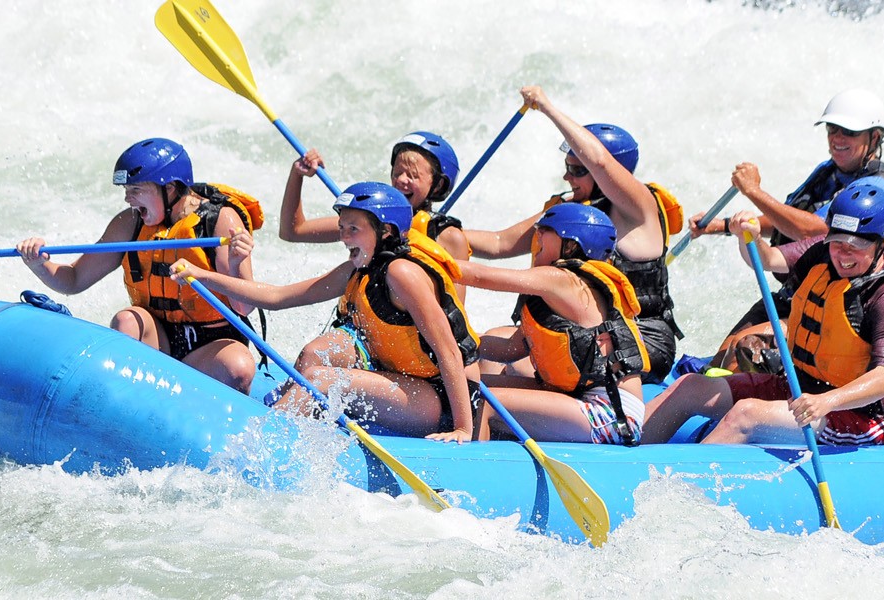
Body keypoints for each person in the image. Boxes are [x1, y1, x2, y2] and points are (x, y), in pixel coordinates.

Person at [174, 182, 482, 443]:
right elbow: (277, 297)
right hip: (395, 376)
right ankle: (293, 423)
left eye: (353, 229)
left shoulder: (403, 274)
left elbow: (448, 351)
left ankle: (260, 443)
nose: (344, 237)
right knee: (313, 356)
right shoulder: (358, 268)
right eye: (342, 229)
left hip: (433, 398)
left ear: (385, 231)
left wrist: (462, 429)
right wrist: (203, 276)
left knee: (319, 381)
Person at [642, 180, 884, 446]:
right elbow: (768, 259)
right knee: (690, 386)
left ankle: (681, 490)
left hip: (861, 413)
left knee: (746, 415)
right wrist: (750, 237)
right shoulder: (822, 252)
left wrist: (827, 401)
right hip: (800, 386)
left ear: (882, 243)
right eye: (837, 242)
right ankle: (621, 455)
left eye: (857, 246)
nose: (843, 254)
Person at [684, 89, 884, 373]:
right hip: (806, 288)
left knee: (743, 350)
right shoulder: (829, 171)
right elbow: (789, 218)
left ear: (875, 137)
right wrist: (722, 226)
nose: (837, 138)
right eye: (833, 129)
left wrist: (753, 191)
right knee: (722, 357)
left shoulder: (878, 188)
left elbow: (816, 233)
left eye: (849, 132)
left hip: (846, 306)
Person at [466, 85, 684, 383]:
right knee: (490, 348)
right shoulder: (570, 213)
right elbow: (499, 243)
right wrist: (432, 234)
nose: (567, 177)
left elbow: (600, 161)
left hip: (639, 338)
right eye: (567, 167)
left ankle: (516, 412)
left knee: (521, 366)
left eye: (576, 169)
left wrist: (547, 107)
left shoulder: (639, 210)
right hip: (578, 330)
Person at [16, 138, 263, 393]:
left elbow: (244, 307)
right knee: (127, 321)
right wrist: (38, 264)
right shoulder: (130, 223)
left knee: (238, 368)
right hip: (157, 338)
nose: (127, 199)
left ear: (169, 188)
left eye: (135, 190)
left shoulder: (219, 221)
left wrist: (237, 263)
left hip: (213, 344)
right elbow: (74, 279)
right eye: (126, 190)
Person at [456, 204, 649, 445]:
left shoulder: (563, 279)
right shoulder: (557, 293)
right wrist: (452, 341)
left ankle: (470, 470)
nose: (536, 238)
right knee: (468, 387)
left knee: (485, 402)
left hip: (611, 415)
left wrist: (427, 261)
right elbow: (510, 349)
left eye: (544, 231)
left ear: (570, 244)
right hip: (580, 398)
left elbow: (480, 277)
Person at [277, 132, 472, 260]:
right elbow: (292, 231)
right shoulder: (369, 218)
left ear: (437, 185)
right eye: (397, 173)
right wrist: (297, 175)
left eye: (413, 176)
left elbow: (454, 312)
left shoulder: (450, 238)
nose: (401, 181)